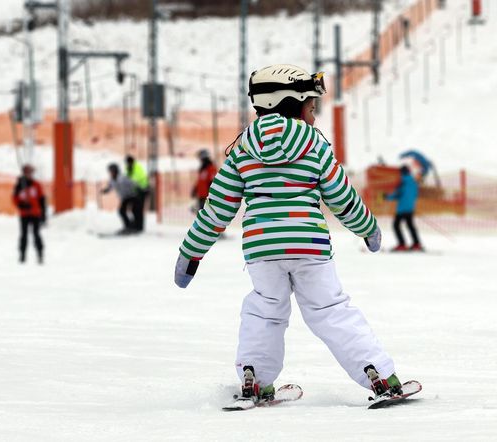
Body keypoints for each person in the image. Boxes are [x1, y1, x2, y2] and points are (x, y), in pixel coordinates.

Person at [173, 64, 404, 406]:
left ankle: (254, 378)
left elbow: (217, 208)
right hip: (309, 245)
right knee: (330, 310)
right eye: (311, 107)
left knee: (265, 310)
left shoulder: (242, 150)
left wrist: (191, 253)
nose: (314, 115)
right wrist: (367, 228)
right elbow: (342, 197)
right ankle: (379, 375)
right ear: (292, 102)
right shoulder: (315, 146)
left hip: (262, 248)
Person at [12, 164, 46, 264]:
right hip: (24, 214)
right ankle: (22, 255)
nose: (29, 175)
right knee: (24, 235)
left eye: (30, 173)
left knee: (36, 234)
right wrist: (22, 205)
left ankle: (40, 254)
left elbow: (42, 199)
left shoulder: (36, 185)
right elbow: (15, 199)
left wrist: (43, 214)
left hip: (35, 214)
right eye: (27, 173)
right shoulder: (19, 185)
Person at [385, 165, 423, 252]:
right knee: (410, 226)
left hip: (402, 208)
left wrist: (386, 197)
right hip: (410, 207)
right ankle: (416, 244)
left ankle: (402, 244)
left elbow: (397, 194)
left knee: (396, 225)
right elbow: (415, 194)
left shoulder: (402, 182)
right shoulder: (414, 182)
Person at [102, 163, 138, 234]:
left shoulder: (123, 178)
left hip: (132, 196)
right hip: (124, 197)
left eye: (112, 171)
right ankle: (128, 226)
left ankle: (132, 226)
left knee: (132, 211)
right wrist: (106, 190)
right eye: (110, 171)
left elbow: (134, 183)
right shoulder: (112, 180)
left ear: (116, 171)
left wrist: (137, 189)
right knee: (121, 211)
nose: (111, 173)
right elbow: (110, 187)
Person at [125, 155, 149, 232]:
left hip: (142, 190)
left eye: (129, 163)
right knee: (134, 209)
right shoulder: (128, 168)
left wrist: (132, 182)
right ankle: (135, 225)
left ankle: (139, 226)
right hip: (135, 192)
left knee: (139, 209)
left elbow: (137, 178)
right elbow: (127, 179)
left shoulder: (137, 167)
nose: (128, 164)